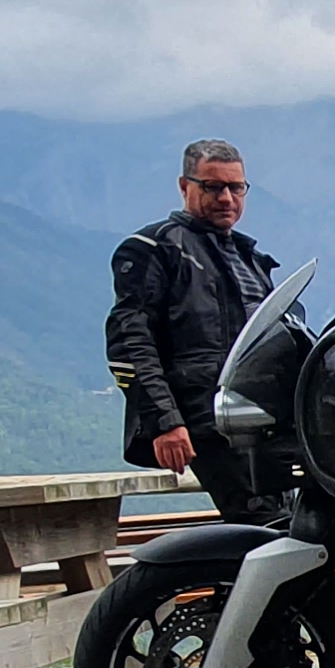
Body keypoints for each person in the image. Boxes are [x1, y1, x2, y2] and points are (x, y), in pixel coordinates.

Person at [107, 138, 283, 519]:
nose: (226, 198)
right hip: (205, 422)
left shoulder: (252, 260)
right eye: (212, 186)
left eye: (236, 188)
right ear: (185, 186)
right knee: (264, 528)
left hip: (264, 421)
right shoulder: (153, 249)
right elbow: (129, 341)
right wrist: (165, 422)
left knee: (297, 529)